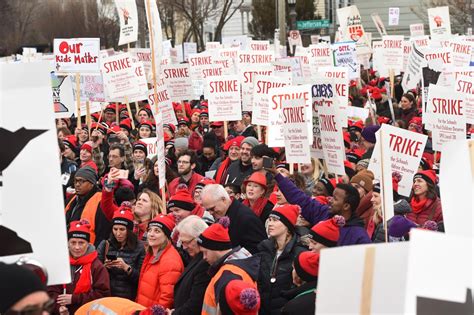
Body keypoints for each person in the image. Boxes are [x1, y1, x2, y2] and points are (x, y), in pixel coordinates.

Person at [272, 171, 371, 246]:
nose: (330, 200)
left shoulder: (358, 235)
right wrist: (277, 175)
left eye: (335, 199)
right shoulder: (324, 213)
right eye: (331, 197)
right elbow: (300, 198)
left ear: (346, 206)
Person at [198, 217, 260, 315]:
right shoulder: (240, 265)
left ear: (217, 248)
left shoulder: (228, 274)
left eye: (205, 252)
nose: (204, 257)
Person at [48, 220, 111, 314]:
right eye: (73, 242)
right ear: (68, 243)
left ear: (88, 244)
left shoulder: (97, 267)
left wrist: (74, 299)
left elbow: (103, 295)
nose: (77, 247)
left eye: (81, 243)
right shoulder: (61, 263)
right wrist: (59, 308)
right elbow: (51, 291)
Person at [257, 205, 306, 314]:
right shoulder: (264, 248)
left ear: (287, 225)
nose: (270, 224)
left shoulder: (298, 253)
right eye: (269, 220)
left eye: (275, 220)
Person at [201, 184, 267, 254]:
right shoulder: (223, 214)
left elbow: (259, 251)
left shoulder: (246, 218)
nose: (210, 213)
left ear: (223, 200)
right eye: (208, 210)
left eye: (212, 209)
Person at [97, 207, 146, 300]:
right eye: (115, 229)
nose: (118, 233)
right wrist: (104, 267)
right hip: (107, 296)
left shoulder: (139, 247)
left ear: (129, 230)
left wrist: (126, 268)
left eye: (122, 229)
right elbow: (94, 273)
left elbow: (141, 278)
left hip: (128, 298)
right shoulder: (105, 244)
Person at [136, 214, 184, 308]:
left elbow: (167, 298)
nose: (151, 234)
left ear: (166, 236)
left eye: (157, 231)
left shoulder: (170, 261)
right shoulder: (151, 254)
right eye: (149, 230)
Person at [172, 216, 212, 314]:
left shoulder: (205, 263)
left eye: (187, 242)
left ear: (199, 238)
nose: (184, 247)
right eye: (182, 242)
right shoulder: (196, 258)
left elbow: (195, 304)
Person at [64, 166, 111, 247]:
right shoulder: (73, 199)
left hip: (89, 250)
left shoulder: (101, 201)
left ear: (92, 183)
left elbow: (103, 233)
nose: (77, 184)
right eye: (75, 181)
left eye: (81, 181)